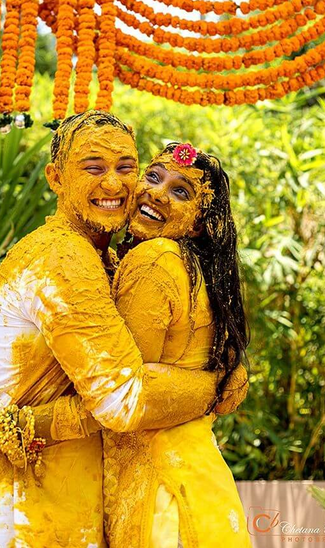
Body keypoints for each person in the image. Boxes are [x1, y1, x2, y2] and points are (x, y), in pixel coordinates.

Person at [0, 111, 248, 547]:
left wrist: (221, 380)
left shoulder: (114, 261)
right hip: (22, 505)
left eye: (126, 168)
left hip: (70, 501)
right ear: (56, 178)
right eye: (93, 168)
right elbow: (124, 400)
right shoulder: (63, 257)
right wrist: (214, 386)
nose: (114, 185)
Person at [103, 142, 252, 547]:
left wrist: (17, 428)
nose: (156, 192)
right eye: (152, 177)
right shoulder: (196, 270)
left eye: (180, 191)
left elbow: (123, 395)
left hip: (162, 494)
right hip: (202, 481)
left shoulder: (154, 260)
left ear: (197, 225)